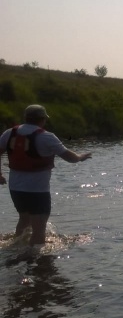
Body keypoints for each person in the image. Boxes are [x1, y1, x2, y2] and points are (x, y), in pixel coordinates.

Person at [0, 104, 92, 248]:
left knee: (24, 219)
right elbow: (70, 158)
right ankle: (36, 259)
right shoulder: (47, 137)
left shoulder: (9, 133)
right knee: (39, 227)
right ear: (42, 119)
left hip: (15, 189)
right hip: (37, 191)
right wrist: (81, 156)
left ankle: (16, 249)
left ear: (26, 118)